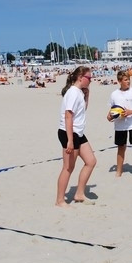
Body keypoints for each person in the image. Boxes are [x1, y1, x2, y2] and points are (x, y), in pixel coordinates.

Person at [55, 66, 97, 207]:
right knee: (68, 168)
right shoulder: (72, 92)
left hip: (78, 132)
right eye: (89, 78)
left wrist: (87, 95)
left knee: (91, 161)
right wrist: (70, 141)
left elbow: (82, 110)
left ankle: (79, 193)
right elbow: (68, 117)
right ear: (80, 78)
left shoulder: (79, 92)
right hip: (69, 133)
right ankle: (60, 200)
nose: (90, 81)